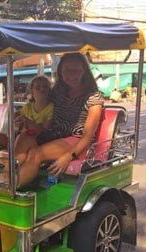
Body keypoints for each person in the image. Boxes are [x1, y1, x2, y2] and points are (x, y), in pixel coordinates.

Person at [15, 53, 104, 188]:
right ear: (61, 72)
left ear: (84, 71)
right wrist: (20, 115)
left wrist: (67, 156)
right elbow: (39, 101)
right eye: (67, 70)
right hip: (54, 135)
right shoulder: (58, 92)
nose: (71, 74)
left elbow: (87, 136)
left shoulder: (94, 97)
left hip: (76, 141)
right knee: (23, 139)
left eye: (76, 70)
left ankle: (10, 189)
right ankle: (7, 177)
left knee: (36, 153)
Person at [0, 75, 53, 178]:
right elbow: (18, 128)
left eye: (45, 87)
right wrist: (16, 124)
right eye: (38, 87)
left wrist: (27, 122)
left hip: (35, 142)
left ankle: (7, 175)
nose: (42, 89)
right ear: (32, 92)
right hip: (18, 139)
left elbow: (44, 131)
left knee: (22, 137)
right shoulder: (27, 107)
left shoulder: (51, 107)